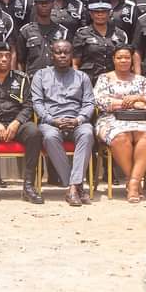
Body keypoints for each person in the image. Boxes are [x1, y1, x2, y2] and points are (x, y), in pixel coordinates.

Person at [0, 43, 43, 205]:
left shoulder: (22, 79)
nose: (4, 59)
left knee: (34, 132)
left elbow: (29, 105)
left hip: (16, 123)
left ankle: (28, 186)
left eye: (7, 55)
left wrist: (17, 122)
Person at [31, 40, 96, 207]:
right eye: (58, 52)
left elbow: (89, 103)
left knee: (87, 133)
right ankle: (75, 185)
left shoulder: (82, 77)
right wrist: (52, 120)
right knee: (50, 136)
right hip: (51, 121)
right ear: (51, 55)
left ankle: (73, 187)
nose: (62, 55)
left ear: (71, 55)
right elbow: (37, 103)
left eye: (66, 52)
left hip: (77, 121)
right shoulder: (40, 75)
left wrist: (79, 119)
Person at [93, 45, 146, 204]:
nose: (123, 60)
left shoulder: (141, 80)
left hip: (140, 119)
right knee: (121, 137)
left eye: (127, 57)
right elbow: (100, 101)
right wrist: (129, 102)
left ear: (132, 60)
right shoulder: (104, 78)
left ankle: (133, 183)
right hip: (111, 118)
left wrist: (139, 98)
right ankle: (134, 182)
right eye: (119, 57)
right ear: (113, 59)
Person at [71, 0, 129, 83]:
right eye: (96, 11)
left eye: (104, 11)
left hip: (114, 81)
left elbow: (125, 60)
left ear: (110, 13)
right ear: (90, 14)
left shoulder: (120, 34)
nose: (100, 14)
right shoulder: (82, 34)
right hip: (89, 80)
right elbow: (75, 63)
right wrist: (78, 82)